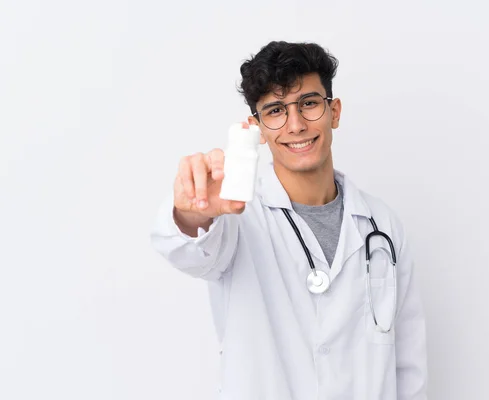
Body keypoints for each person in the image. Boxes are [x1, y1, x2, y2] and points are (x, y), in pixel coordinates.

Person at [150, 41, 428, 399]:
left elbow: (409, 367)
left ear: (335, 112)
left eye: (309, 104)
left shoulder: (382, 226)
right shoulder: (238, 216)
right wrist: (196, 207)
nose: (295, 125)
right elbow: (185, 248)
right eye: (276, 110)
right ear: (257, 128)